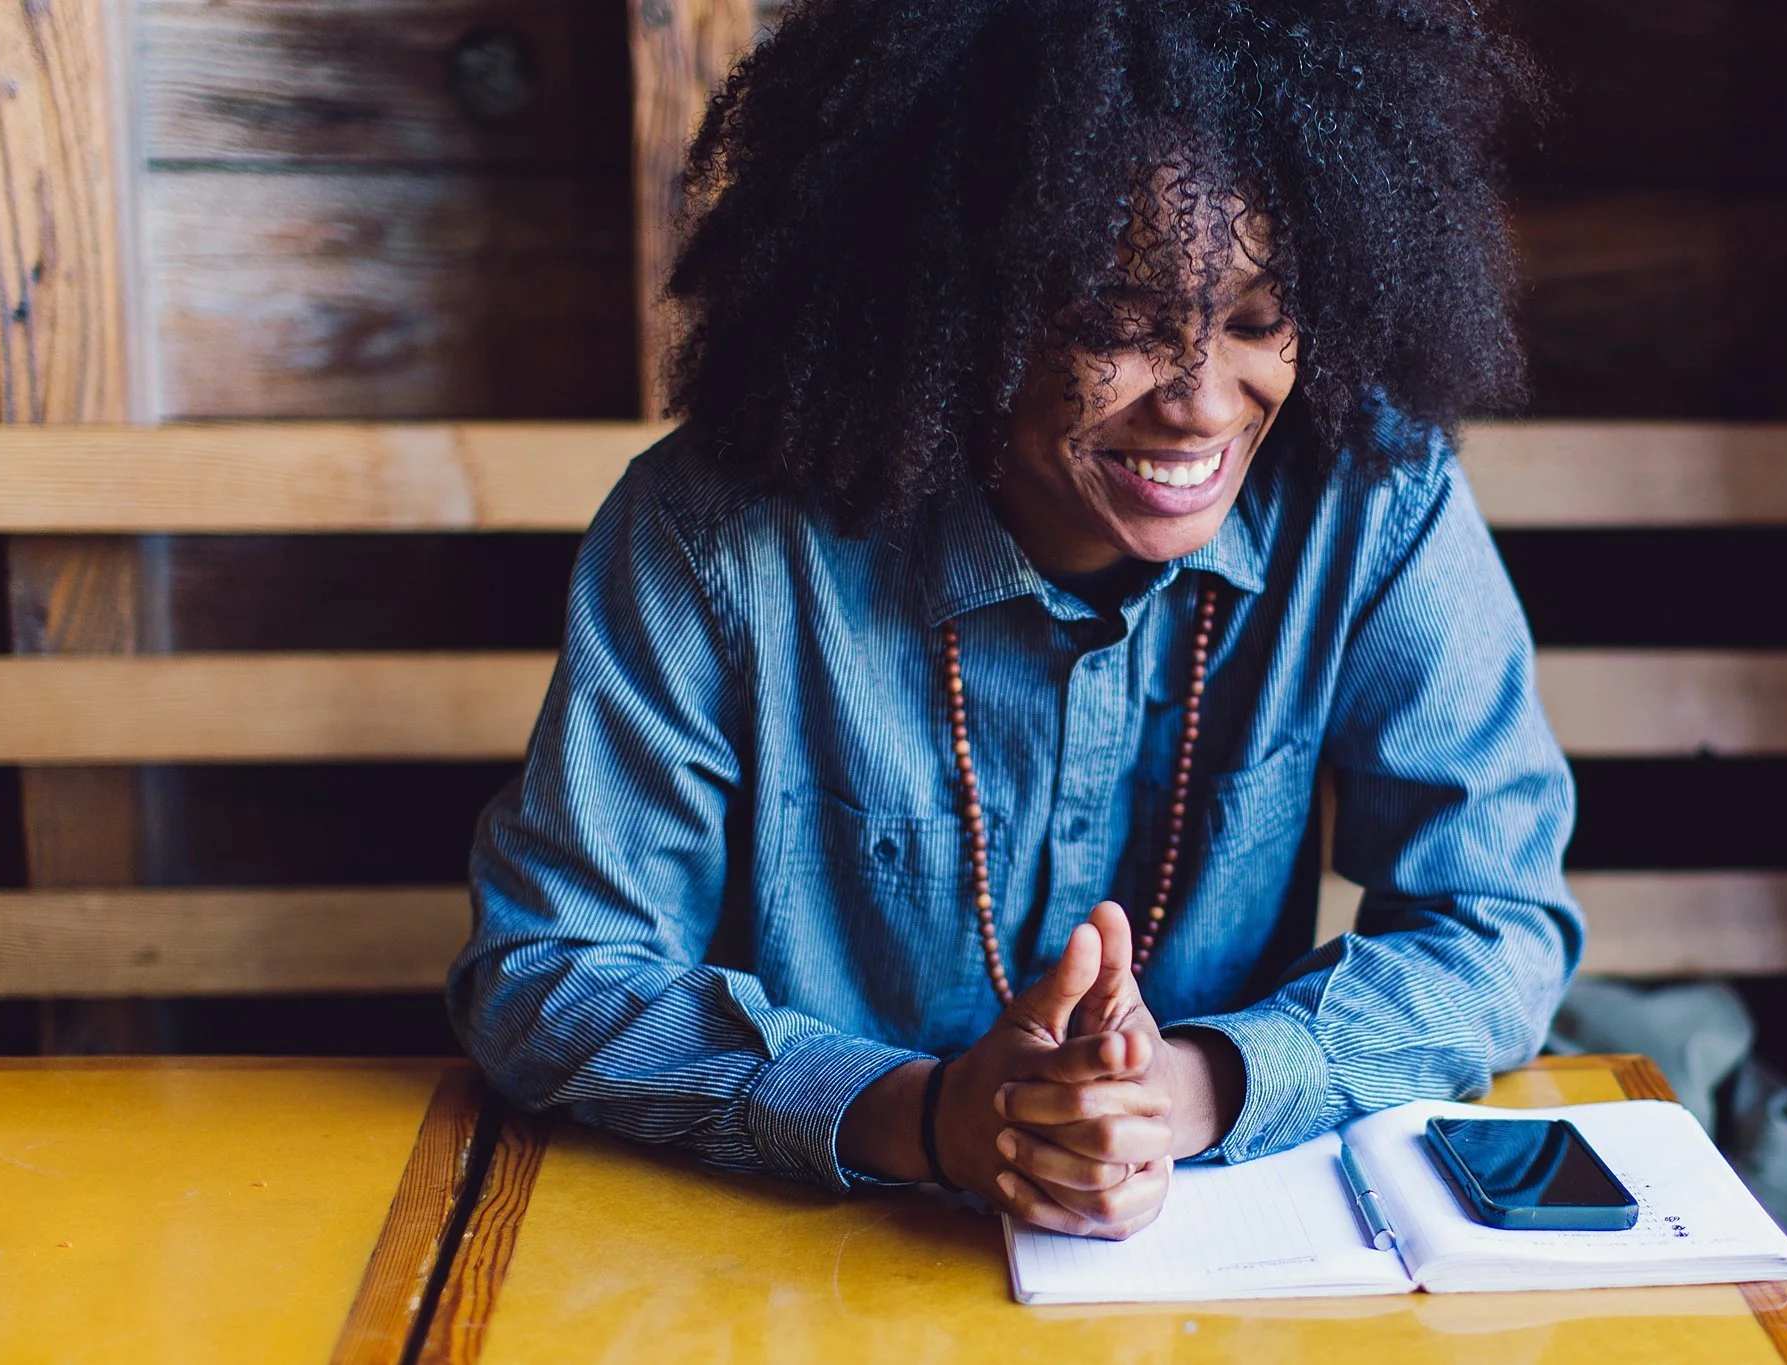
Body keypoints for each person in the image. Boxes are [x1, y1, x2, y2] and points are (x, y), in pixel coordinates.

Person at [448, 0, 1580, 1242]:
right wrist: (928, 1119)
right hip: (783, 1249)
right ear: (946, 301)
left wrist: (1188, 1089)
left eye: (1259, 320)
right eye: (1117, 327)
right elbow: (552, 969)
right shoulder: (717, 538)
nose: (1203, 404)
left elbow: (1496, 922)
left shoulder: (1371, 498)